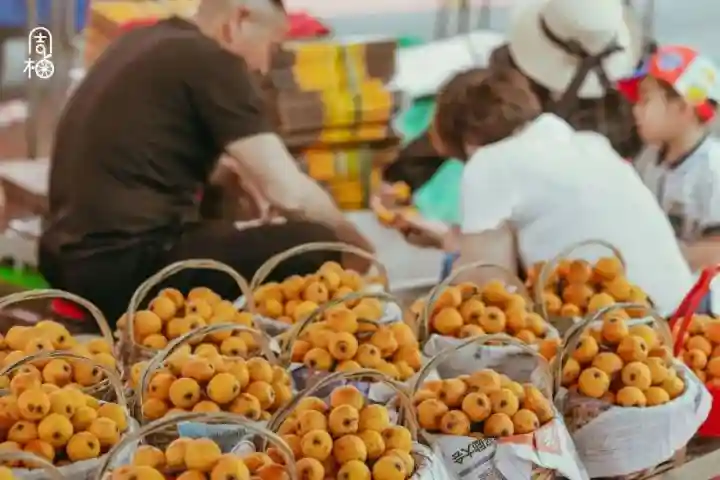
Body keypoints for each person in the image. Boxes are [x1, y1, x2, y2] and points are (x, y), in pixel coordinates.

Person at [39, 0, 373, 324]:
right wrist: (357, 248)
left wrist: (240, 179)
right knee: (312, 242)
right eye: (272, 46)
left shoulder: (143, 41)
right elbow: (291, 195)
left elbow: (155, 155)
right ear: (238, 21)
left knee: (230, 208)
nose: (264, 67)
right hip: (128, 272)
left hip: (65, 262)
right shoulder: (214, 61)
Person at [402, 0, 695, 314]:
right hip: (686, 312)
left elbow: (489, 290)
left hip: (625, 329)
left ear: (467, 141)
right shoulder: (589, 143)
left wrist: (451, 252)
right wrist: (449, 240)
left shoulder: (489, 162)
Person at [619, 45, 720, 271]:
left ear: (684, 108)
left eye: (645, 100)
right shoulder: (647, 160)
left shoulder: (713, 169)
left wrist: (658, 257)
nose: (635, 110)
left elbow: (716, 251)